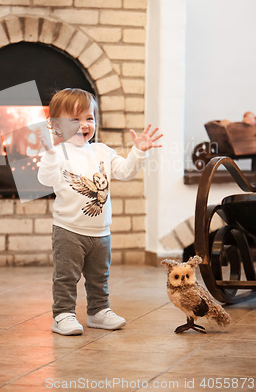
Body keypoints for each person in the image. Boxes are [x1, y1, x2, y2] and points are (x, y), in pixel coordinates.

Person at [38, 88, 162, 336]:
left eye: (89, 118)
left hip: (100, 232)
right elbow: (45, 179)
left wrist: (139, 151)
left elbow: (125, 171)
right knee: (66, 277)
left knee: (99, 276)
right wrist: (51, 153)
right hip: (69, 230)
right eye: (74, 119)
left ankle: (98, 311)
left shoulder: (101, 152)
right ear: (56, 127)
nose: (84, 125)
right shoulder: (58, 153)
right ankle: (63, 314)